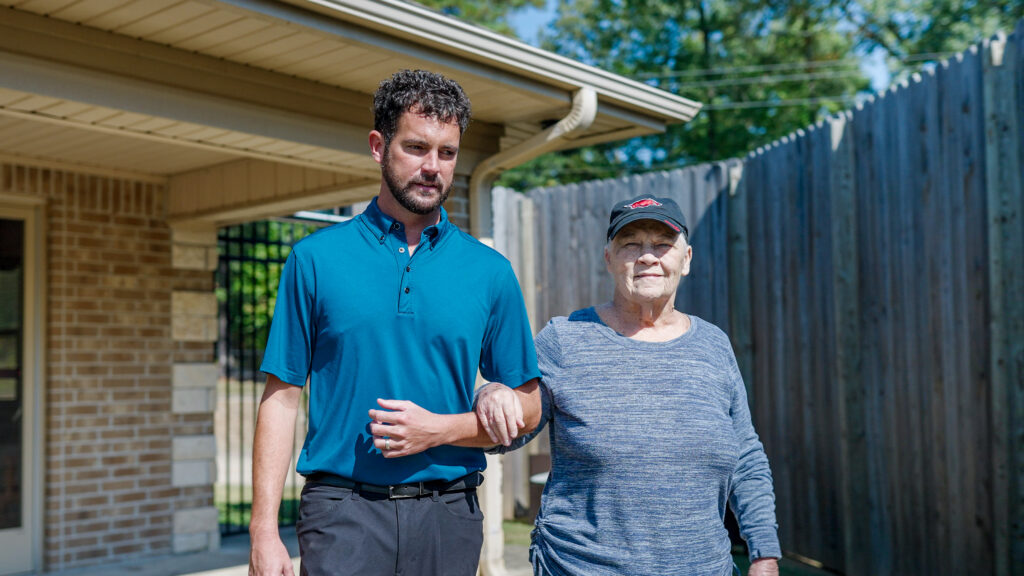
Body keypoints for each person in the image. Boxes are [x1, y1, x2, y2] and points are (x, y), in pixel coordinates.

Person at [248, 69, 541, 576]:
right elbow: (281, 399)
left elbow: (530, 410)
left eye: (447, 153)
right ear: (378, 146)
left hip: (449, 514)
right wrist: (263, 530)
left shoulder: (489, 271)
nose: (433, 167)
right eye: (416, 148)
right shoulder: (315, 259)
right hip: (342, 515)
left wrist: (440, 430)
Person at [478, 195, 782, 576]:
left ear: (686, 259)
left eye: (662, 245)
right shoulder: (566, 340)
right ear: (610, 259)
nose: (647, 257)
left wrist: (763, 553)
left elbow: (746, 458)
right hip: (582, 568)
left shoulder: (714, 345)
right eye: (631, 245)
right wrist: (491, 393)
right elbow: (509, 430)